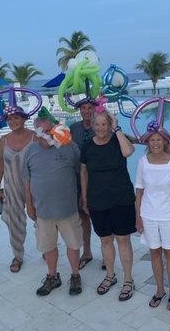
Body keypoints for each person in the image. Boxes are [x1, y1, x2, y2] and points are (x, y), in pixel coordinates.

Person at [23, 109, 83, 296]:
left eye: (50, 131)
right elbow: (26, 181)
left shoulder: (68, 146)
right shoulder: (30, 151)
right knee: (48, 246)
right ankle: (52, 276)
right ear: (36, 133)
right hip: (43, 210)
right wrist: (29, 204)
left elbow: (80, 171)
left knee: (73, 244)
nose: (47, 136)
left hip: (68, 208)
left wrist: (82, 196)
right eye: (42, 132)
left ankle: (75, 275)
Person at [80, 109, 136, 301]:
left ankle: (128, 280)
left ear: (109, 124)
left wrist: (117, 127)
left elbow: (128, 151)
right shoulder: (87, 146)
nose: (101, 128)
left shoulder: (118, 140)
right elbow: (84, 173)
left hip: (121, 198)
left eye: (105, 124)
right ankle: (110, 275)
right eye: (97, 124)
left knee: (123, 240)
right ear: (92, 126)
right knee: (105, 240)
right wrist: (85, 198)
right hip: (98, 199)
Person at [135, 132, 170, 311]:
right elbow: (139, 191)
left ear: (165, 141)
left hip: (169, 215)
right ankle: (159, 290)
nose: (155, 143)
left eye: (159, 139)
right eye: (152, 139)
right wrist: (138, 217)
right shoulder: (143, 161)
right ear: (148, 142)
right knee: (154, 253)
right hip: (148, 214)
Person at [0, 106, 36, 273]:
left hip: (35, 186)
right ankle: (17, 256)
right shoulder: (3, 140)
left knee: (41, 219)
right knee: (15, 222)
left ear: (24, 119)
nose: (12, 122)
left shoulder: (35, 136)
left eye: (16, 118)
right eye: (9, 119)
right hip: (11, 187)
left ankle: (47, 249)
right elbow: (0, 164)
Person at [69, 100, 95, 269]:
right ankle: (87, 251)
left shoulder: (101, 125)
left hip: (98, 180)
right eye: (83, 108)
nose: (87, 111)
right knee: (83, 218)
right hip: (78, 180)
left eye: (90, 107)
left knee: (103, 218)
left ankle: (109, 252)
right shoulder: (74, 128)